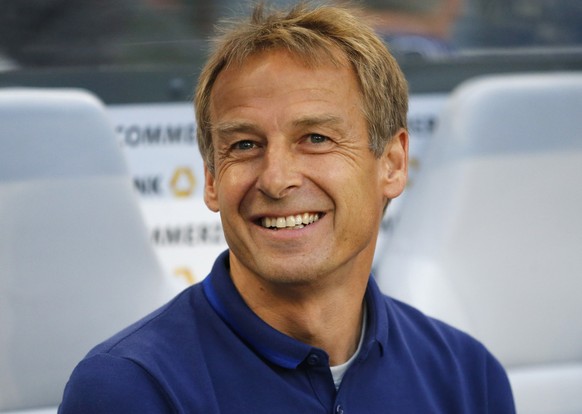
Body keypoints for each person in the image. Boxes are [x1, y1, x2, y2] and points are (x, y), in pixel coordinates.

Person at [59, 1, 515, 412]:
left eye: (316, 139)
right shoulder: (130, 390)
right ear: (213, 178)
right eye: (244, 144)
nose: (276, 179)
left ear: (392, 165)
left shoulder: (468, 377)